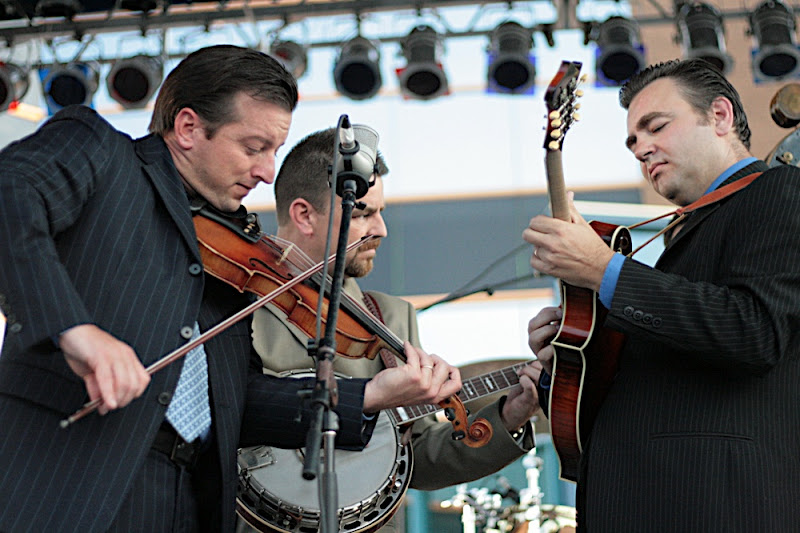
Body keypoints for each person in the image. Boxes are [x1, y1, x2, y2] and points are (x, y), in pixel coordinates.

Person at [0, 45, 460, 533]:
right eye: (254, 147)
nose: (267, 172)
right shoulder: (98, 151)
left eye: (275, 151)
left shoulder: (233, 253)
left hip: (183, 499)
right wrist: (76, 330)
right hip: (66, 481)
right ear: (188, 128)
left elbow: (237, 400)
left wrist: (367, 394)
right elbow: (10, 198)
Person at [524, 58, 800, 531]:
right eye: (633, 141)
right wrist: (574, 354)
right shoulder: (684, 233)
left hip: (717, 507)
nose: (641, 148)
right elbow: (662, 377)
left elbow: (753, 330)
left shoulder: (781, 190)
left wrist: (601, 269)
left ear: (720, 116)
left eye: (656, 127)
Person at [248, 127, 543, 532]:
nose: (382, 229)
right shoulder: (237, 304)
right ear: (304, 215)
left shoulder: (390, 317)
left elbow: (417, 457)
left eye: (381, 212)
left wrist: (509, 416)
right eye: (362, 213)